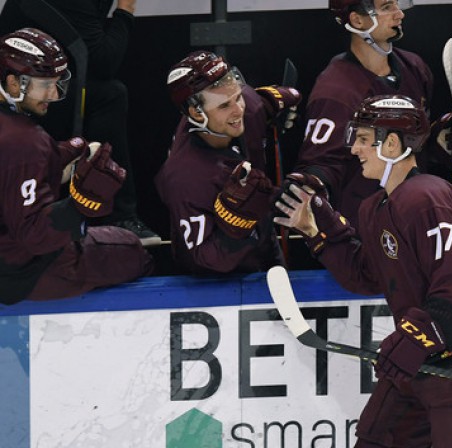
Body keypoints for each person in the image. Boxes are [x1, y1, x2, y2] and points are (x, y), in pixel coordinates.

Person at [274, 95, 452, 447]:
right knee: (377, 438)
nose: (354, 148)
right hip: (424, 351)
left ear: (391, 142)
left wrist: (413, 340)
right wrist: (316, 229)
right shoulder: (375, 208)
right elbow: (366, 274)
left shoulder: (430, 198)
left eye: (362, 139)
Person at [287, 0, 452, 228]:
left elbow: (407, 146)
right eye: (388, 7)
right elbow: (322, 165)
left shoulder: (415, 68)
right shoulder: (335, 92)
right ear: (357, 20)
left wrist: (440, 142)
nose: (399, 15)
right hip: (364, 231)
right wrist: (311, 185)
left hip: (413, 221)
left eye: (397, 5)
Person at [0, 27, 152, 304]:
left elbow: (10, 176)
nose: (52, 94)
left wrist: (57, 156)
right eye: (44, 85)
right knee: (132, 250)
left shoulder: (20, 139)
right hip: (22, 275)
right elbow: (35, 237)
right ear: (13, 84)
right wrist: (79, 204)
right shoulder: (24, 141)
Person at [0, 0, 162, 245]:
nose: (53, 94)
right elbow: (104, 61)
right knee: (110, 94)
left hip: (27, 85)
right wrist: (125, 9)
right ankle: (119, 217)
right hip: (19, 93)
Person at [156, 51, 301, 275]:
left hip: (266, 248)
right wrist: (237, 228)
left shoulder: (248, 106)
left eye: (238, 96)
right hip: (214, 283)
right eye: (224, 106)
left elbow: (256, 102)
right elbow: (204, 259)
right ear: (196, 112)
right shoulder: (184, 177)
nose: (239, 110)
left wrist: (272, 106)